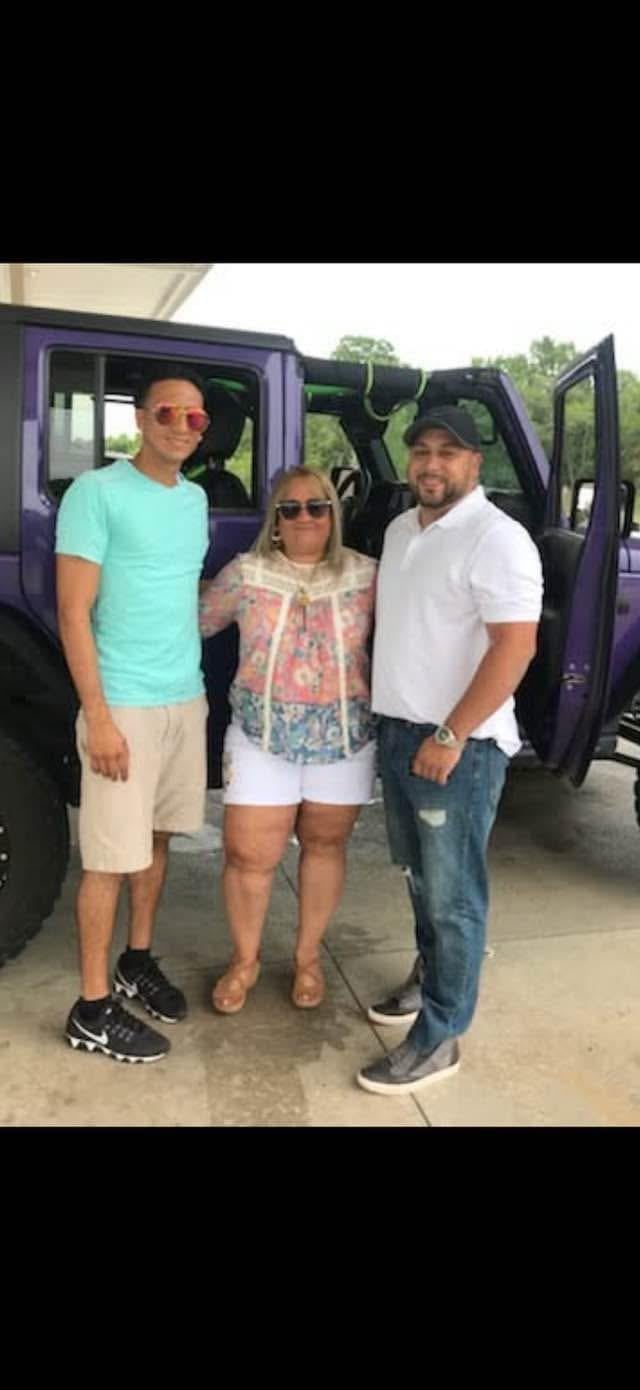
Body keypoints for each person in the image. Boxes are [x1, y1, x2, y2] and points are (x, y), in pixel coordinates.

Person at [357, 406, 543, 1096]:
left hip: (455, 747)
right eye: (422, 451)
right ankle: (431, 977)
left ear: (475, 463)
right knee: (420, 881)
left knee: (454, 897)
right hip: (401, 734)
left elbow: (514, 647)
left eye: (449, 452)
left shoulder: (498, 539)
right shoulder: (402, 528)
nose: (432, 464)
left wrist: (451, 734)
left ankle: (440, 1036)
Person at [56, 367, 211, 1063]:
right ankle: (91, 1010)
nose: (182, 426)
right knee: (109, 860)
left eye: (195, 418)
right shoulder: (96, 493)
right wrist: (100, 717)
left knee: (156, 840)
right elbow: (73, 612)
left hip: (184, 697)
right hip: (123, 703)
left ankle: (135, 961)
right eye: (168, 413)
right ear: (142, 419)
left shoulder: (195, 499)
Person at [199, 466, 377, 1014]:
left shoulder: (367, 576)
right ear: (275, 520)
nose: (305, 517)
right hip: (261, 736)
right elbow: (193, 622)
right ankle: (244, 961)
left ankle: (307, 958)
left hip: (344, 738)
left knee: (325, 846)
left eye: (317, 506)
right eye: (291, 508)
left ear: (333, 515)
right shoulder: (246, 573)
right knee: (248, 855)